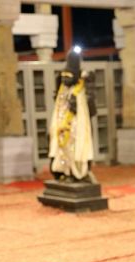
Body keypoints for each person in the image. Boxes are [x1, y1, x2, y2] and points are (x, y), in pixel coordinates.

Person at [48, 50, 97, 182]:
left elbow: (90, 105)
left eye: (68, 76)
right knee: (61, 149)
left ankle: (78, 173)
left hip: (77, 125)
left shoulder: (82, 85)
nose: (65, 79)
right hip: (62, 124)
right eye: (64, 76)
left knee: (76, 149)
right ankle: (64, 172)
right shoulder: (62, 87)